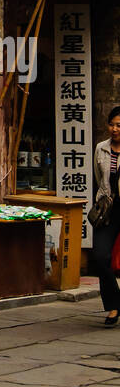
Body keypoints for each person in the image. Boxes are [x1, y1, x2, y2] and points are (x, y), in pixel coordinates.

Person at [89, 106, 120, 327]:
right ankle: (114, 304)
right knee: (100, 258)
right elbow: (99, 178)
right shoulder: (100, 148)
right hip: (107, 211)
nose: (115, 129)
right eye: (112, 124)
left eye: (119, 125)